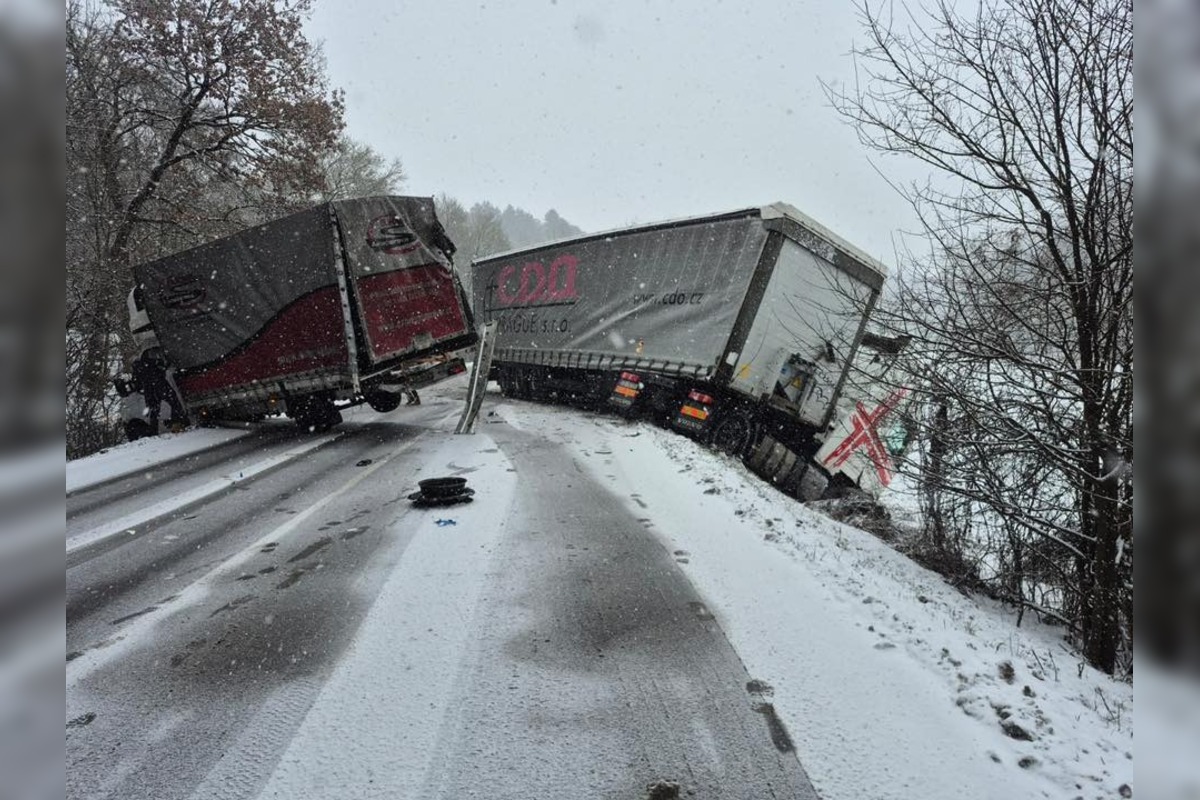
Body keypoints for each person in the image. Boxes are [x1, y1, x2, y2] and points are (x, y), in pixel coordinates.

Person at [131, 349, 189, 434]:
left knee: (154, 411)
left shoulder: (138, 367)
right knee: (174, 403)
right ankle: (177, 423)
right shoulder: (154, 362)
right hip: (161, 385)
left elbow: (137, 383)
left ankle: (154, 431)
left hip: (149, 390)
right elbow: (164, 367)